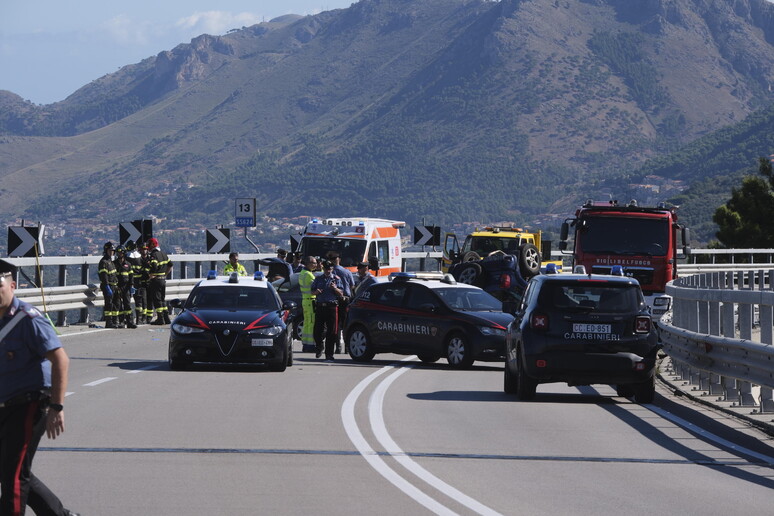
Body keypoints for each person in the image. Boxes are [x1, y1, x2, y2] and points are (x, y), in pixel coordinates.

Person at [0, 259, 77, 516]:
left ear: (12, 286)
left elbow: (60, 360)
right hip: (3, 404)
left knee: (12, 474)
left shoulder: (28, 320)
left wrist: (57, 406)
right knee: (12, 469)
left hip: (28, 404)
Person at [310, 261, 344, 361]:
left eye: (329, 269)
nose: (328, 271)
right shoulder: (318, 279)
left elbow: (341, 293)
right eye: (326, 269)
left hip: (331, 307)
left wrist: (335, 288)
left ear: (332, 269)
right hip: (320, 307)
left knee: (332, 331)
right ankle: (319, 347)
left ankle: (329, 354)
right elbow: (312, 291)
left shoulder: (336, 279)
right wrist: (316, 292)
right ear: (323, 269)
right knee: (317, 331)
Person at [327, 252, 355, 352]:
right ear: (339, 259)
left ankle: (338, 347)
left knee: (336, 325)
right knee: (346, 323)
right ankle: (347, 347)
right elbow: (352, 286)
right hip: (346, 299)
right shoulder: (346, 272)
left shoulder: (330, 272)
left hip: (334, 300)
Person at [147, 237, 172, 325]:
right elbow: (170, 265)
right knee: (162, 299)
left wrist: (151, 274)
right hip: (163, 279)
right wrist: (165, 274)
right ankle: (166, 318)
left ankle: (160, 319)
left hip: (156, 280)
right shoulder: (164, 254)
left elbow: (153, 266)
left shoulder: (153, 255)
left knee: (157, 299)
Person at [297, 256, 318, 352]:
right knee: (311, 322)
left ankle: (305, 343)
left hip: (305, 300)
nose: (316, 265)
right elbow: (314, 289)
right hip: (310, 300)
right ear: (309, 263)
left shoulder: (302, 273)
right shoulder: (309, 275)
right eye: (314, 263)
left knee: (306, 322)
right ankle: (310, 345)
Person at [114, 246, 137, 329]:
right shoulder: (114, 264)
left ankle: (130, 322)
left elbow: (131, 276)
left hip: (126, 287)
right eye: (118, 253)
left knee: (127, 305)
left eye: (120, 252)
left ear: (124, 253)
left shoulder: (128, 264)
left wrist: (131, 286)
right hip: (118, 287)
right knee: (119, 305)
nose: (119, 254)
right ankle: (121, 322)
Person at [98, 241, 119, 328]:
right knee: (109, 304)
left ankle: (115, 321)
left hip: (114, 285)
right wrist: (107, 286)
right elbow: (103, 275)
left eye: (113, 251)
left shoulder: (111, 261)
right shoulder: (104, 262)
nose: (112, 252)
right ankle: (109, 322)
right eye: (110, 250)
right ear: (106, 250)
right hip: (108, 286)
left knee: (116, 304)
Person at [127, 239, 148, 324]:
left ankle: (128, 319)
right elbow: (145, 269)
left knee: (126, 300)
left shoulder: (127, 257)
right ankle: (139, 319)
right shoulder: (139, 257)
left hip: (128, 282)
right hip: (139, 282)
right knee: (138, 300)